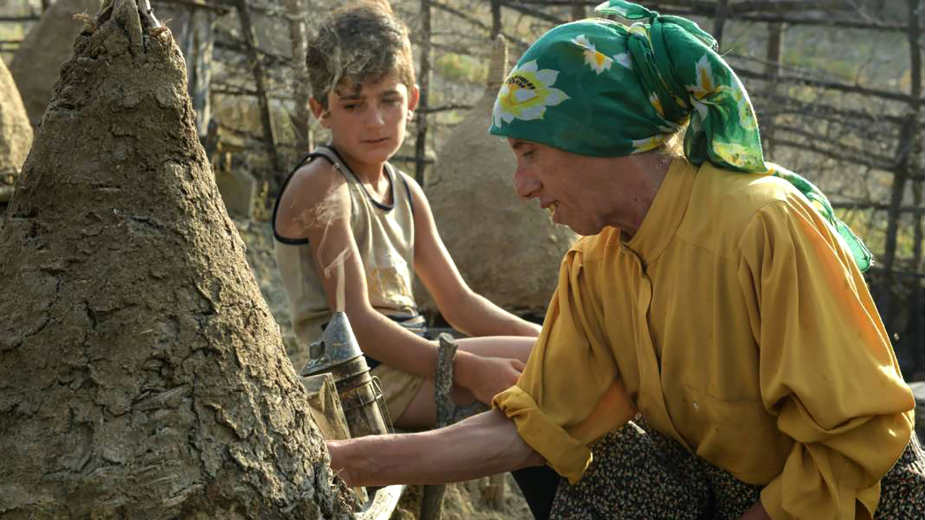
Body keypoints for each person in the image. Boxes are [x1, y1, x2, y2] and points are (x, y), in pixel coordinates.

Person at [327, 2, 925, 519]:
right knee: (589, 451)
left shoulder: (762, 226)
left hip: (850, 497)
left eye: (530, 153)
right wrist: (350, 461)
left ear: (595, 134)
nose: (522, 186)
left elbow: (860, 442)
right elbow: (535, 423)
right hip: (733, 489)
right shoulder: (596, 266)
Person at [273, 1, 541, 432]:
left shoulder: (406, 192)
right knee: (542, 376)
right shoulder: (323, 184)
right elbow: (355, 323)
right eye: (353, 105)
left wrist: (550, 337)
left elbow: (461, 305)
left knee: (552, 356)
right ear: (321, 110)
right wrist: (467, 369)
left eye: (389, 100)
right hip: (356, 378)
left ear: (412, 100)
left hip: (414, 356)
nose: (375, 121)